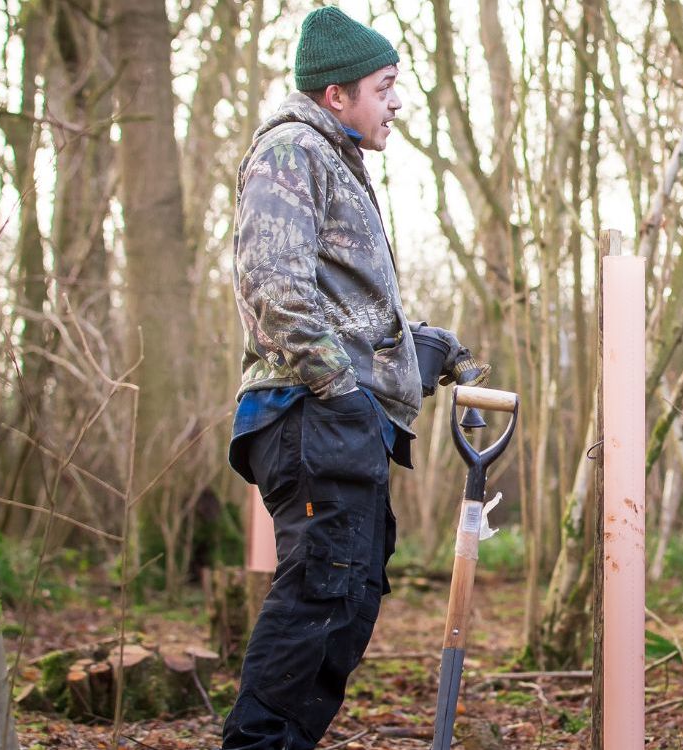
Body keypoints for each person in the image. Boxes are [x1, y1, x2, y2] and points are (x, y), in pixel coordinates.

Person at [223, 7, 470, 748]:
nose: (396, 102)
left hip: (337, 417)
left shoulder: (334, 159)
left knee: (347, 604)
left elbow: (339, 303)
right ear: (338, 95)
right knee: (318, 598)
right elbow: (273, 287)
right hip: (311, 414)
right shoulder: (294, 148)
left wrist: (415, 348)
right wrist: (343, 389)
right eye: (384, 86)